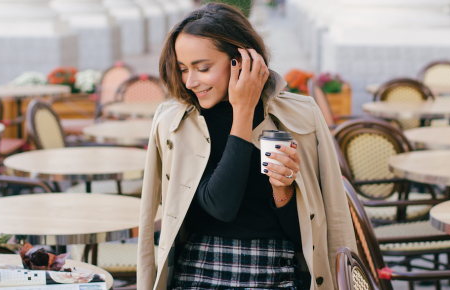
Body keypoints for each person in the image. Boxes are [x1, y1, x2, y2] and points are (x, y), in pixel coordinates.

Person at [138, 3, 357, 290]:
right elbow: (220, 206)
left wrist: (284, 191)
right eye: (182, 69)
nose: (190, 81)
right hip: (201, 269)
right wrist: (243, 111)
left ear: (242, 60)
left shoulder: (302, 115)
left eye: (202, 68)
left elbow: (320, 225)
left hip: (278, 270)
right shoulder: (174, 123)